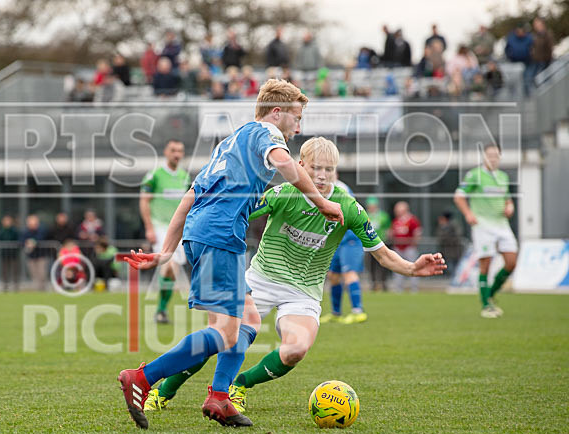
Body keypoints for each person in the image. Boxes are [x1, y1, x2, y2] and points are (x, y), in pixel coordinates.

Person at [142, 137, 445, 414]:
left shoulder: (349, 207)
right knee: (221, 337)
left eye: (329, 169)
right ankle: (165, 390)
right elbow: (238, 213)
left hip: (304, 292)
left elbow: (381, 253)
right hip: (260, 279)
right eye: (316, 168)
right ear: (300, 166)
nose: (323, 175)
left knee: (296, 350)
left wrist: (412, 268)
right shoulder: (283, 194)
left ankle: (240, 385)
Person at [119, 78, 344, 429]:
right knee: (225, 333)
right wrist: (322, 200)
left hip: (203, 232)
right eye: (296, 118)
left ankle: (220, 396)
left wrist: (166, 251)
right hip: (221, 235)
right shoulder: (266, 134)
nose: (299, 127)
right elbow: (285, 163)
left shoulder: (229, 144)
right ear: (277, 112)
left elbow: (191, 196)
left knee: (247, 321)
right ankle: (143, 378)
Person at [453, 143, 517, 318]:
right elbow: (458, 196)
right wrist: (468, 214)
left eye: (496, 155)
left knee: (511, 263)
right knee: (485, 265)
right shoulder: (475, 175)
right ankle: (486, 305)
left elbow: (507, 199)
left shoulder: (503, 177)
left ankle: (490, 294)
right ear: (484, 156)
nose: (493, 159)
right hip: (483, 225)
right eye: (490, 155)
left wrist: (510, 207)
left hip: (502, 225)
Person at [140, 139, 190, 324]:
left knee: (173, 271)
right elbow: (144, 200)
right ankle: (161, 311)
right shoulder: (154, 175)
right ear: (166, 153)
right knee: (168, 266)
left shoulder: (185, 177)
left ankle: (161, 310)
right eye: (173, 150)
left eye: (180, 150)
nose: (177, 154)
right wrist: (149, 227)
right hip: (160, 227)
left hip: (179, 230)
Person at [322, 174, 366, 324]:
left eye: (329, 170)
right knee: (333, 275)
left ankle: (358, 311)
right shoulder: (322, 190)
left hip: (350, 239)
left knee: (349, 273)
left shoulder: (341, 188)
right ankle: (336, 313)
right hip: (336, 240)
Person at [390, 201, 422, 293]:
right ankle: (398, 288)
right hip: (398, 248)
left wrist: (413, 244)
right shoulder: (396, 221)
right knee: (397, 267)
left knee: (413, 267)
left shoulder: (412, 220)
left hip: (409, 248)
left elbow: (417, 233)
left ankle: (414, 288)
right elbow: (392, 232)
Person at [365, 196, 391, 291]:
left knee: (383, 263)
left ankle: (384, 283)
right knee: (371, 265)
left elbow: (388, 229)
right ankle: (374, 283)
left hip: (381, 243)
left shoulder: (383, 216)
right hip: (369, 245)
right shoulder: (365, 215)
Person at [22, 214, 49, 291]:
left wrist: (34, 242)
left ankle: (43, 289)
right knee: (33, 274)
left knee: (42, 273)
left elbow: (42, 238)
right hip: (31, 256)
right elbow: (21, 240)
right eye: (30, 222)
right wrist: (27, 243)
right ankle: (37, 289)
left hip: (41, 255)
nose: (32, 223)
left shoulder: (42, 230)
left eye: (33, 221)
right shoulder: (25, 231)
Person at [435, 212, 462, 277]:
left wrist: (446, 239)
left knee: (454, 267)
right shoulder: (442, 226)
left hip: (454, 250)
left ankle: (454, 282)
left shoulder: (453, 225)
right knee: (449, 267)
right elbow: (439, 237)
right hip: (446, 251)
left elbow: (457, 236)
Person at [0, 214, 20, 292]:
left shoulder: (14, 230)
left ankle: (15, 286)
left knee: (15, 270)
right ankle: (5, 286)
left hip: (13, 254)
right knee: (5, 271)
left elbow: (16, 237)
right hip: (4, 254)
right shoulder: (1, 230)